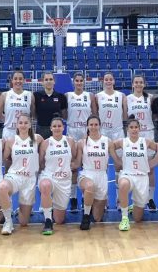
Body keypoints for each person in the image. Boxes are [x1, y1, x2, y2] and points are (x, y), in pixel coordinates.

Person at [0, 113, 44, 235]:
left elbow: (44, 154)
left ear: (30, 125)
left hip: (30, 179)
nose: (23, 125)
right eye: (21, 123)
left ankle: (20, 210)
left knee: (23, 222)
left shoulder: (38, 139)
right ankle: (8, 222)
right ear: (17, 125)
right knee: (2, 187)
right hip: (15, 175)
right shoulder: (11, 141)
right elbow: (3, 159)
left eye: (26, 123)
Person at [110, 118, 157, 231]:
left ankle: (133, 207)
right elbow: (110, 146)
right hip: (128, 175)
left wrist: (152, 163)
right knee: (123, 184)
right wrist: (117, 161)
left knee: (137, 218)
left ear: (139, 129)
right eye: (131, 127)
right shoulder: (123, 142)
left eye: (136, 127)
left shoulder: (146, 141)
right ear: (127, 129)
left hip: (142, 177)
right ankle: (124, 218)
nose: (134, 129)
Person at [72, 115, 111, 229]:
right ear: (87, 126)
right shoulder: (82, 142)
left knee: (98, 218)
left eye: (96, 124)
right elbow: (77, 163)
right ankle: (86, 216)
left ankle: (89, 202)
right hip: (87, 174)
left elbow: (117, 157)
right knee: (90, 186)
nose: (93, 127)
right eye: (91, 125)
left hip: (102, 175)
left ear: (100, 126)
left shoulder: (107, 141)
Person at [38, 116, 75, 235]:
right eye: (54, 126)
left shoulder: (70, 141)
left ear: (63, 127)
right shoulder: (45, 143)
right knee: (45, 185)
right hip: (49, 177)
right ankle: (48, 220)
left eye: (59, 126)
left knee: (59, 220)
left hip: (64, 180)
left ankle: (49, 204)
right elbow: (41, 163)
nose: (57, 128)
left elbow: (73, 159)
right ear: (50, 128)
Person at [124, 74, 157, 210]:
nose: (138, 84)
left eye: (140, 82)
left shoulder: (150, 98)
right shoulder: (127, 98)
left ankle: (150, 198)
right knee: (133, 168)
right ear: (132, 84)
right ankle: (133, 200)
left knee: (149, 168)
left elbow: (154, 115)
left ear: (144, 84)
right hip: (133, 133)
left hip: (147, 132)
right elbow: (125, 116)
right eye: (136, 82)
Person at [66, 72, 95, 210]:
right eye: (76, 80)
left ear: (84, 82)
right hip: (72, 131)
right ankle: (73, 197)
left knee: (86, 165)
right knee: (73, 167)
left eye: (81, 80)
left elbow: (94, 113)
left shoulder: (89, 96)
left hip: (85, 131)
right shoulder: (68, 95)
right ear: (73, 82)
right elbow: (64, 114)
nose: (78, 83)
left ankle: (84, 196)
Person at [0, 70, 34, 140]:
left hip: (24, 131)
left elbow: (32, 114)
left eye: (20, 79)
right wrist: (8, 120)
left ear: (24, 80)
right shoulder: (5, 95)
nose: (18, 81)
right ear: (12, 80)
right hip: (9, 130)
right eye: (15, 79)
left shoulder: (30, 95)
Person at [33, 71, 67, 139]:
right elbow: (34, 114)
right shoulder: (36, 95)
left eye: (51, 79)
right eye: (46, 80)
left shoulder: (61, 96)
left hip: (56, 129)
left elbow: (64, 115)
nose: (49, 81)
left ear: (54, 81)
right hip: (42, 129)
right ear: (42, 82)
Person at [93, 72, 125, 141]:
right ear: (103, 81)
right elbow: (95, 114)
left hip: (117, 131)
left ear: (114, 81)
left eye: (111, 79)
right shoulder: (98, 96)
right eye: (106, 80)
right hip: (103, 130)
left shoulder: (121, 95)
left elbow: (125, 114)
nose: (108, 81)